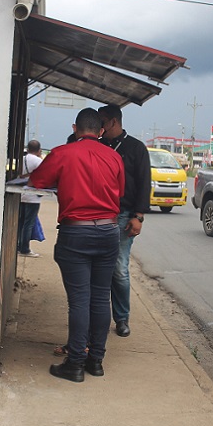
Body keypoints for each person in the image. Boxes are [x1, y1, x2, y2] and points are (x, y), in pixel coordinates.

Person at [29, 108, 125, 382]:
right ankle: (96, 360)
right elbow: (120, 192)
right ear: (101, 131)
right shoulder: (114, 156)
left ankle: (75, 364)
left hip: (76, 232)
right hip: (108, 231)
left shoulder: (62, 153)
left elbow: (37, 181)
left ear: (75, 128)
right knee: (101, 297)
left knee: (80, 300)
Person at [97, 104, 151, 338]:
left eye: (102, 122)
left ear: (113, 122)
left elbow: (144, 183)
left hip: (123, 215)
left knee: (118, 268)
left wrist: (138, 216)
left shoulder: (135, 148)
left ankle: (121, 318)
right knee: (96, 267)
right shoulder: (98, 146)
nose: (99, 126)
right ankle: (96, 316)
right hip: (98, 214)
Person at [17, 139, 44, 257]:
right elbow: (44, 175)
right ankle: (25, 249)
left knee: (21, 222)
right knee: (29, 224)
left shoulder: (21, 159)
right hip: (33, 196)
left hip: (21, 194)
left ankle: (18, 246)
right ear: (39, 150)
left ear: (27, 149)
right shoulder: (39, 161)